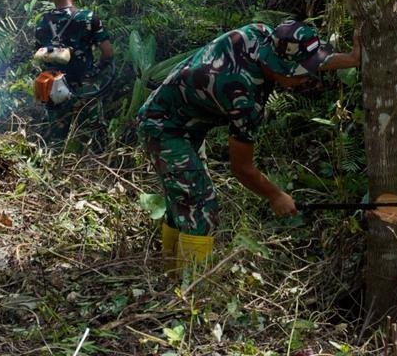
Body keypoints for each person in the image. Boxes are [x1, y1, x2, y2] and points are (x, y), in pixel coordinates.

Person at [137, 20, 360, 269]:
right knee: (199, 205)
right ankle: (191, 290)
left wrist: (350, 59)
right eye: (301, 72)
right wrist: (276, 196)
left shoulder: (263, 34)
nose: (307, 76)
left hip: (184, 120)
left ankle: (171, 272)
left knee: (183, 200)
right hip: (163, 128)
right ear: (283, 68)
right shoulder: (242, 97)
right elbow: (242, 168)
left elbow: (302, 55)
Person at [33, 0, 113, 145]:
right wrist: (95, 72)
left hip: (55, 89)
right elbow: (107, 53)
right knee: (94, 139)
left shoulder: (42, 23)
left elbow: (40, 56)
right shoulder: (88, 18)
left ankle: (56, 170)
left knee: (57, 142)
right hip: (85, 87)